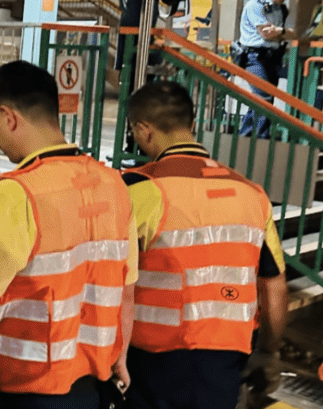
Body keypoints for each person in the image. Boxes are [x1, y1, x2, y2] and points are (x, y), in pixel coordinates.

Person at [0, 60, 138, 409]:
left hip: (23, 389)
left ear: (8, 117)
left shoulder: (18, 194)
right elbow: (126, 290)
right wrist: (120, 358)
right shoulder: (114, 185)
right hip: (94, 385)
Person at [121, 81, 288, 409]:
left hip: (153, 360)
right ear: (192, 126)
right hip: (226, 359)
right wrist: (269, 351)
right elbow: (274, 288)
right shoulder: (252, 193)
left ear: (143, 129)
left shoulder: (138, 189)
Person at [236, 0, 298, 138]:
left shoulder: (281, 9)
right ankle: (261, 141)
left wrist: (281, 32)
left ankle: (245, 139)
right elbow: (266, 34)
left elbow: (289, 33)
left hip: (273, 58)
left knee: (260, 100)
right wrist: (283, 33)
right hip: (255, 58)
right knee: (264, 100)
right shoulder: (256, 5)